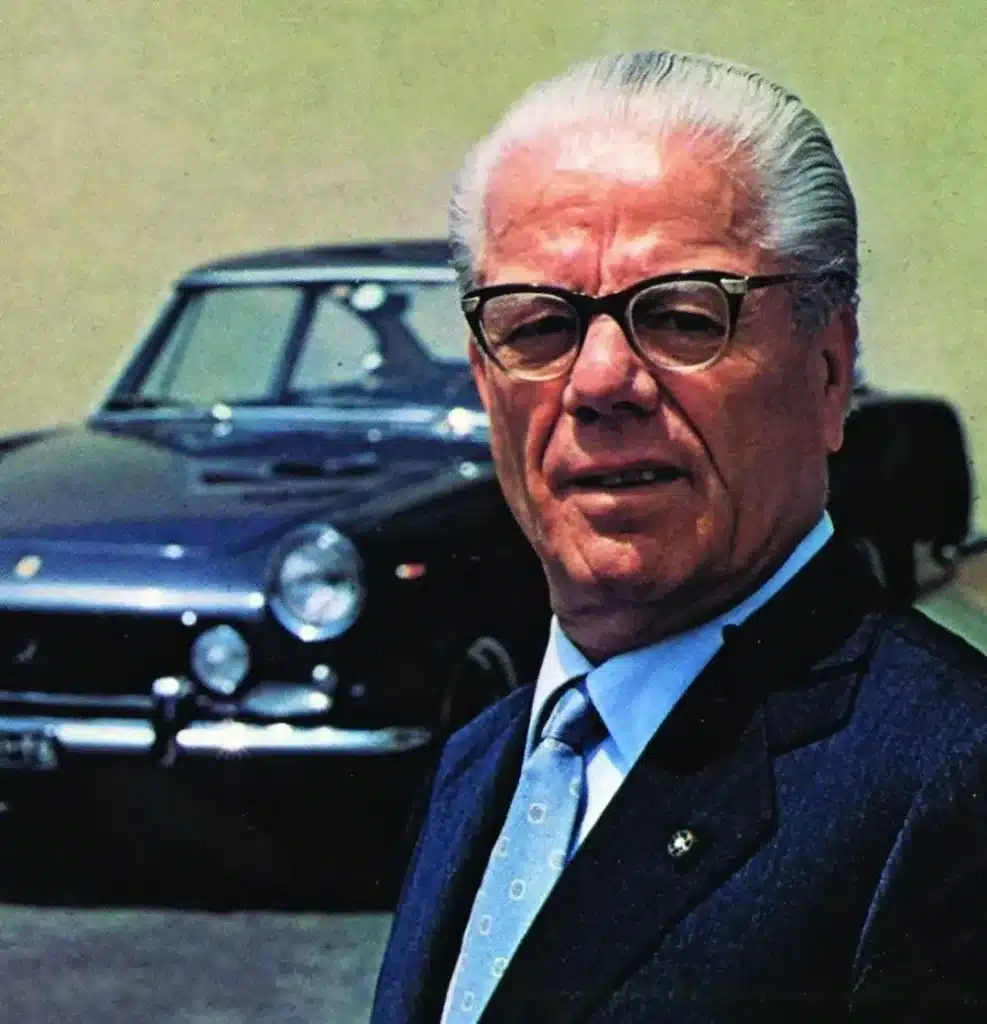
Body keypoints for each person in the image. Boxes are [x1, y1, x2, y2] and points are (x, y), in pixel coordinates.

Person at [371, 51, 987, 1022]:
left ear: (830, 372)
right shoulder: (485, 758)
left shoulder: (948, 787)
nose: (601, 381)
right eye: (538, 325)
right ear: (483, 383)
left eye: (683, 316)